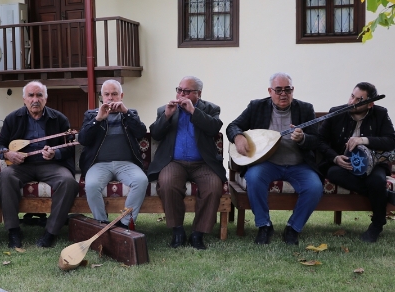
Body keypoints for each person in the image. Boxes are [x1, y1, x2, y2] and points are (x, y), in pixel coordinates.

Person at [226, 72, 323, 246]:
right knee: (254, 179)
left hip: (298, 164)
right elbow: (233, 126)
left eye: (287, 89)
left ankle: (293, 228)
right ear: (270, 91)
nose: (283, 94)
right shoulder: (257, 106)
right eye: (278, 90)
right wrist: (238, 137)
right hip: (267, 164)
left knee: (314, 187)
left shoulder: (305, 109)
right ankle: (264, 226)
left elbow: (316, 140)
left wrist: (303, 139)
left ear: (293, 91)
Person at [0, 81, 78, 248]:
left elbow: (69, 147)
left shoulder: (59, 119)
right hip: (22, 166)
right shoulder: (13, 118)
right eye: (31, 95)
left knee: (68, 181)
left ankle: (51, 232)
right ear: (24, 99)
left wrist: (56, 153)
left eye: (39, 95)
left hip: (51, 165)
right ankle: (13, 231)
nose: (35, 99)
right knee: (6, 176)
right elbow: (0, 145)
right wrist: (8, 153)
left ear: (45, 99)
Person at [147, 76, 226, 250]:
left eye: (187, 91)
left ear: (198, 93)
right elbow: (155, 134)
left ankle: (198, 233)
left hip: (203, 163)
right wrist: (166, 116)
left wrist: (193, 112)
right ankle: (177, 230)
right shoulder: (165, 109)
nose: (181, 94)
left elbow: (214, 128)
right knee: (167, 184)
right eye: (179, 90)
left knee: (213, 187)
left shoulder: (211, 109)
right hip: (174, 162)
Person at [318, 82, 395, 242]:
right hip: (344, 164)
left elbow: (391, 141)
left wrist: (363, 140)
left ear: (370, 104)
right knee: (333, 173)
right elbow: (320, 141)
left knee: (377, 180)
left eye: (359, 100)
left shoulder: (380, 114)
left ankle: (377, 224)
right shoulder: (336, 112)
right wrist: (335, 157)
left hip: (373, 164)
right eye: (352, 96)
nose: (352, 102)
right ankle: (385, 196)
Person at [78, 79, 148, 229]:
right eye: (107, 94)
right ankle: (102, 224)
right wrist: (98, 119)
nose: (110, 98)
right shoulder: (91, 115)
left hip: (126, 164)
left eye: (114, 94)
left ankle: (125, 224)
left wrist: (126, 112)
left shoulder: (130, 113)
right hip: (99, 164)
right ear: (101, 97)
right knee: (91, 186)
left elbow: (141, 132)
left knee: (141, 181)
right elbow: (83, 139)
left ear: (121, 96)